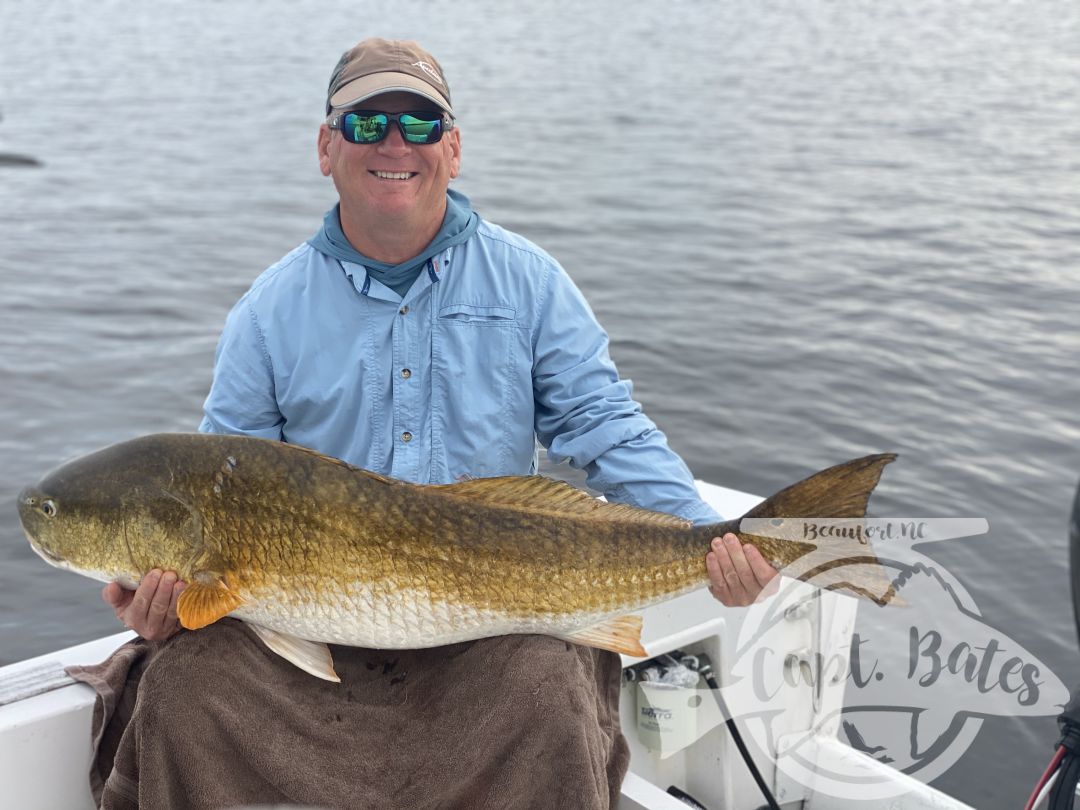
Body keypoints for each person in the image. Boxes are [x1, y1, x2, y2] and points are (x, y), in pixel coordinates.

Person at [99, 37, 778, 808]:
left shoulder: (531, 284)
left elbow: (606, 427)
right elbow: (217, 489)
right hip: (313, 624)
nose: (394, 143)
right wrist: (160, 587)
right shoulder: (266, 314)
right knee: (184, 689)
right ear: (326, 148)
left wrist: (710, 536)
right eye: (366, 123)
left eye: (419, 125)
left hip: (495, 615)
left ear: (453, 150)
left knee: (547, 690)